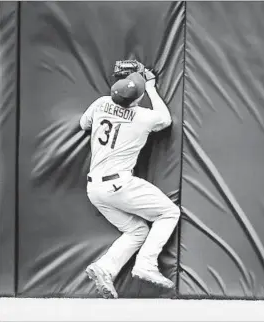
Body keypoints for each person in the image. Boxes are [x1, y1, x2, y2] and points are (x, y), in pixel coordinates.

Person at [80, 69, 181, 299]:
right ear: (136, 100)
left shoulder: (101, 102)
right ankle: (146, 263)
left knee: (137, 230)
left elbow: (84, 124)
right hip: (118, 184)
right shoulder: (143, 116)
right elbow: (165, 119)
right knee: (169, 213)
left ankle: (105, 268)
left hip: (95, 188)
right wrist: (152, 89)